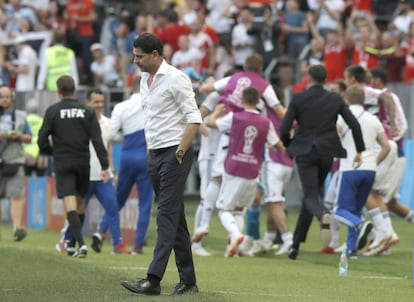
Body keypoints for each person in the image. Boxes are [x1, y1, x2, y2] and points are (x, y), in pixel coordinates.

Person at [120, 33, 202, 296]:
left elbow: (194, 118)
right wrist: (149, 150)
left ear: (155, 55)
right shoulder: (145, 79)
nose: (136, 61)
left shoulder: (177, 78)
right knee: (175, 218)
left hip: (173, 153)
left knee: (165, 214)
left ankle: (153, 279)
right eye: (135, 55)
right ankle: (188, 280)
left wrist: (180, 150)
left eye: (140, 56)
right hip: (154, 154)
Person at [279, 64, 365, 260]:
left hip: (305, 151)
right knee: (312, 197)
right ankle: (295, 245)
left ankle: (323, 214)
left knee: (310, 196)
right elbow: (354, 123)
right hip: (327, 152)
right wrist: (360, 150)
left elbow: (284, 128)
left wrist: (289, 144)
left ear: (308, 77)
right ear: (326, 80)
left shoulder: (299, 98)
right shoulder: (334, 98)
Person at [206, 87, 284, 257]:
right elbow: (278, 146)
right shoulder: (266, 122)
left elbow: (211, 124)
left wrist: (215, 113)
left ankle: (235, 234)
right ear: (258, 102)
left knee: (224, 209)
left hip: (234, 168)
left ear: (241, 100)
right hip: (253, 171)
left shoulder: (235, 117)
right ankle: (234, 248)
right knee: (239, 210)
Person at [38, 75, 110, 258]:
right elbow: (97, 140)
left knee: (70, 205)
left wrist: (51, 151)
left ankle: (82, 245)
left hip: (63, 162)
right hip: (82, 163)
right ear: (74, 90)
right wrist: (105, 166)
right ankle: (71, 244)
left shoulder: (53, 111)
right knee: (80, 205)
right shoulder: (87, 112)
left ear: (59, 91)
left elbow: (41, 139)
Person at [335, 85, 390, 258]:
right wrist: (374, 161)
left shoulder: (341, 117)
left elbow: (335, 137)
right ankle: (352, 250)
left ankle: (361, 225)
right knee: (356, 209)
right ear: (364, 100)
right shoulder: (373, 119)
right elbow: (386, 147)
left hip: (350, 167)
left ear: (346, 98)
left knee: (340, 209)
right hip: (369, 169)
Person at [107, 76, 154, 255]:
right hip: (145, 156)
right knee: (145, 204)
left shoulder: (121, 106)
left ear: (130, 87)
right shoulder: (152, 103)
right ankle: (138, 245)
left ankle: (100, 232)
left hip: (127, 156)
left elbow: (111, 132)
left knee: (117, 200)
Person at [0, 85, 32, 241]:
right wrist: (5, 134)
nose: (5, 100)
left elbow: (29, 137)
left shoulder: (20, 116)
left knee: (16, 195)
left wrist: (17, 136)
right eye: (2, 97)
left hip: (15, 159)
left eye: (7, 97)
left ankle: (17, 229)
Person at [22, 99, 48, 177]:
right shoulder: (42, 121)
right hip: (40, 153)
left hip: (26, 154)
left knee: (26, 178)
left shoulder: (24, 120)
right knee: (41, 179)